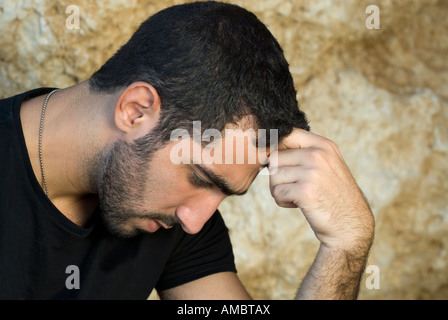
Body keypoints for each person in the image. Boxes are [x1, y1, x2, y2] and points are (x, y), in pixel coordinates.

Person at [0, 1, 374, 299]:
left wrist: (346, 245)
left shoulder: (179, 221)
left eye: (222, 193)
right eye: (198, 177)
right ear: (136, 110)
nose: (195, 220)